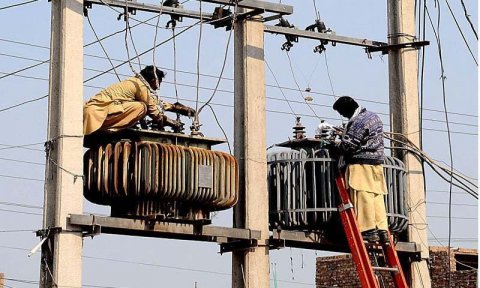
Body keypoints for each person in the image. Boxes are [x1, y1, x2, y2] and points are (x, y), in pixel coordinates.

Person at [332, 96, 389, 243]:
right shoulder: (373, 116)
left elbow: (348, 146)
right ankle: (382, 231)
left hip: (361, 164)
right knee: (376, 197)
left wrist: (334, 144)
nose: (343, 116)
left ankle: (368, 230)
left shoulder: (357, 122)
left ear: (347, 109)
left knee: (363, 196)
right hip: (377, 164)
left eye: (342, 113)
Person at [83, 65, 195, 135]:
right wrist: (173, 123)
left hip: (94, 113)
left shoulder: (134, 82)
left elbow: (155, 103)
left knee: (142, 106)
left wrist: (174, 107)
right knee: (142, 107)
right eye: (159, 82)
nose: (158, 86)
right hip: (100, 115)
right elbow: (154, 112)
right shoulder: (141, 86)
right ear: (153, 80)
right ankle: (112, 130)